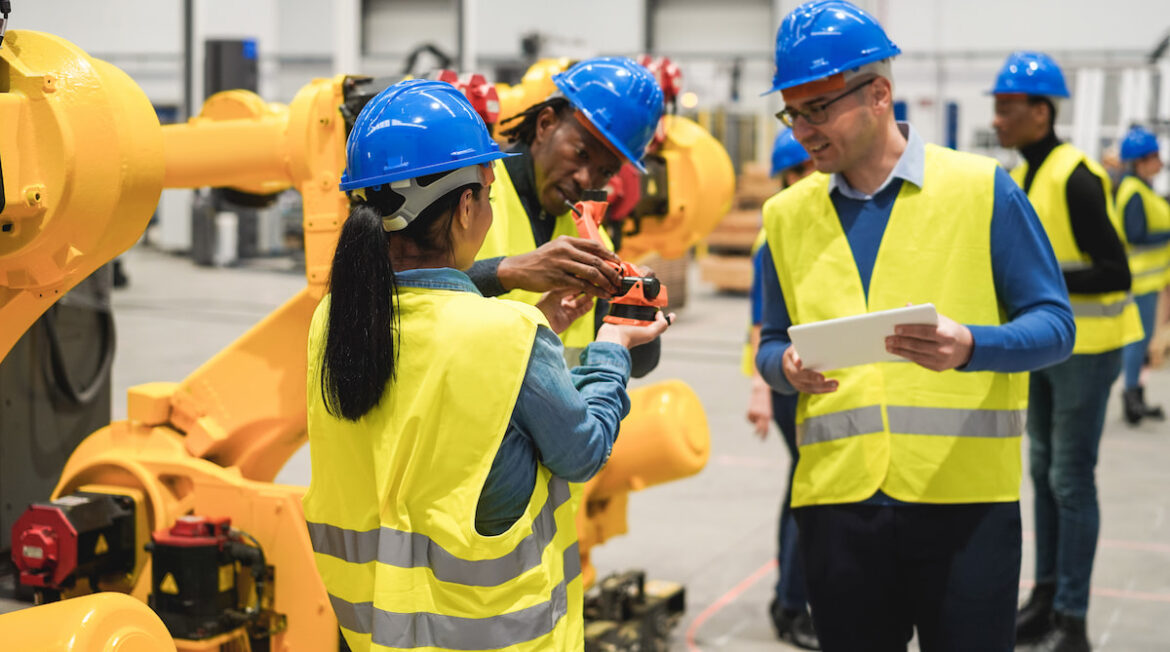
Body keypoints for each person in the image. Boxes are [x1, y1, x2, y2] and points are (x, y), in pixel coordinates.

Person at [301, 79, 672, 652]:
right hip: (481, 633)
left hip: (374, 630)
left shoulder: (335, 319)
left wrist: (512, 283)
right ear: (468, 204)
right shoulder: (507, 333)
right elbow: (583, 452)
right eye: (487, 195)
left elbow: (419, 319)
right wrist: (614, 346)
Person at [756, 3, 1075, 650]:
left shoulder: (983, 190)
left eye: (818, 109)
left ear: (879, 95)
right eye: (793, 112)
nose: (804, 130)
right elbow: (769, 342)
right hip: (836, 506)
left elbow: (1056, 326)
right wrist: (782, 369)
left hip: (964, 505)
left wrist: (973, 346)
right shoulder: (786, 216)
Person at [992, 50, 1144, 652]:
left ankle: (1073, 620)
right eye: (997, 108)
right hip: (1048, 350)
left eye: (1008, 109)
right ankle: (1046, 598)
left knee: (1070, 479)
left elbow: (1116, 272)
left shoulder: (1076, 175)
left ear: (1041, 111)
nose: (998, 120)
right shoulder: (1027, 174)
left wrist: (1039, 282)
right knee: (1042, 472)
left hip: (1090, 347)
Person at [469, 56, 666, 369]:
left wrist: (637, 305)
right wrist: (509, 271)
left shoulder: (591, 239)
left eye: (605, 171)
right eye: (581, 153)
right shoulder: (471, 195)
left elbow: (640, 362)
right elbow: (406, 292)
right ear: (546, 123)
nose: (586, 179)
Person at [743, 127, 818, 649]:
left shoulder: (805, 221)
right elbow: (759, 324)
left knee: (805, 485)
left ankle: (792, 599)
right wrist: (760, 389)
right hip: (788, 377)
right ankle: (791, 604)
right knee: (806, 488)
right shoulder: (777, 232)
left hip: (803, 370)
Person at [1117, 126, 1170, 424]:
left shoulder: (1143, 189)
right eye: (1155, 157)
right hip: (1140, 281)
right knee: (1137, 342)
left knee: (1143, 341)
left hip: (1149, 280)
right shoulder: (1134, 192)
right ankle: (1131, 397)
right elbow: (1135, 235)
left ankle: (1137, 394)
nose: (1160, 163)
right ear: (1141, 160)